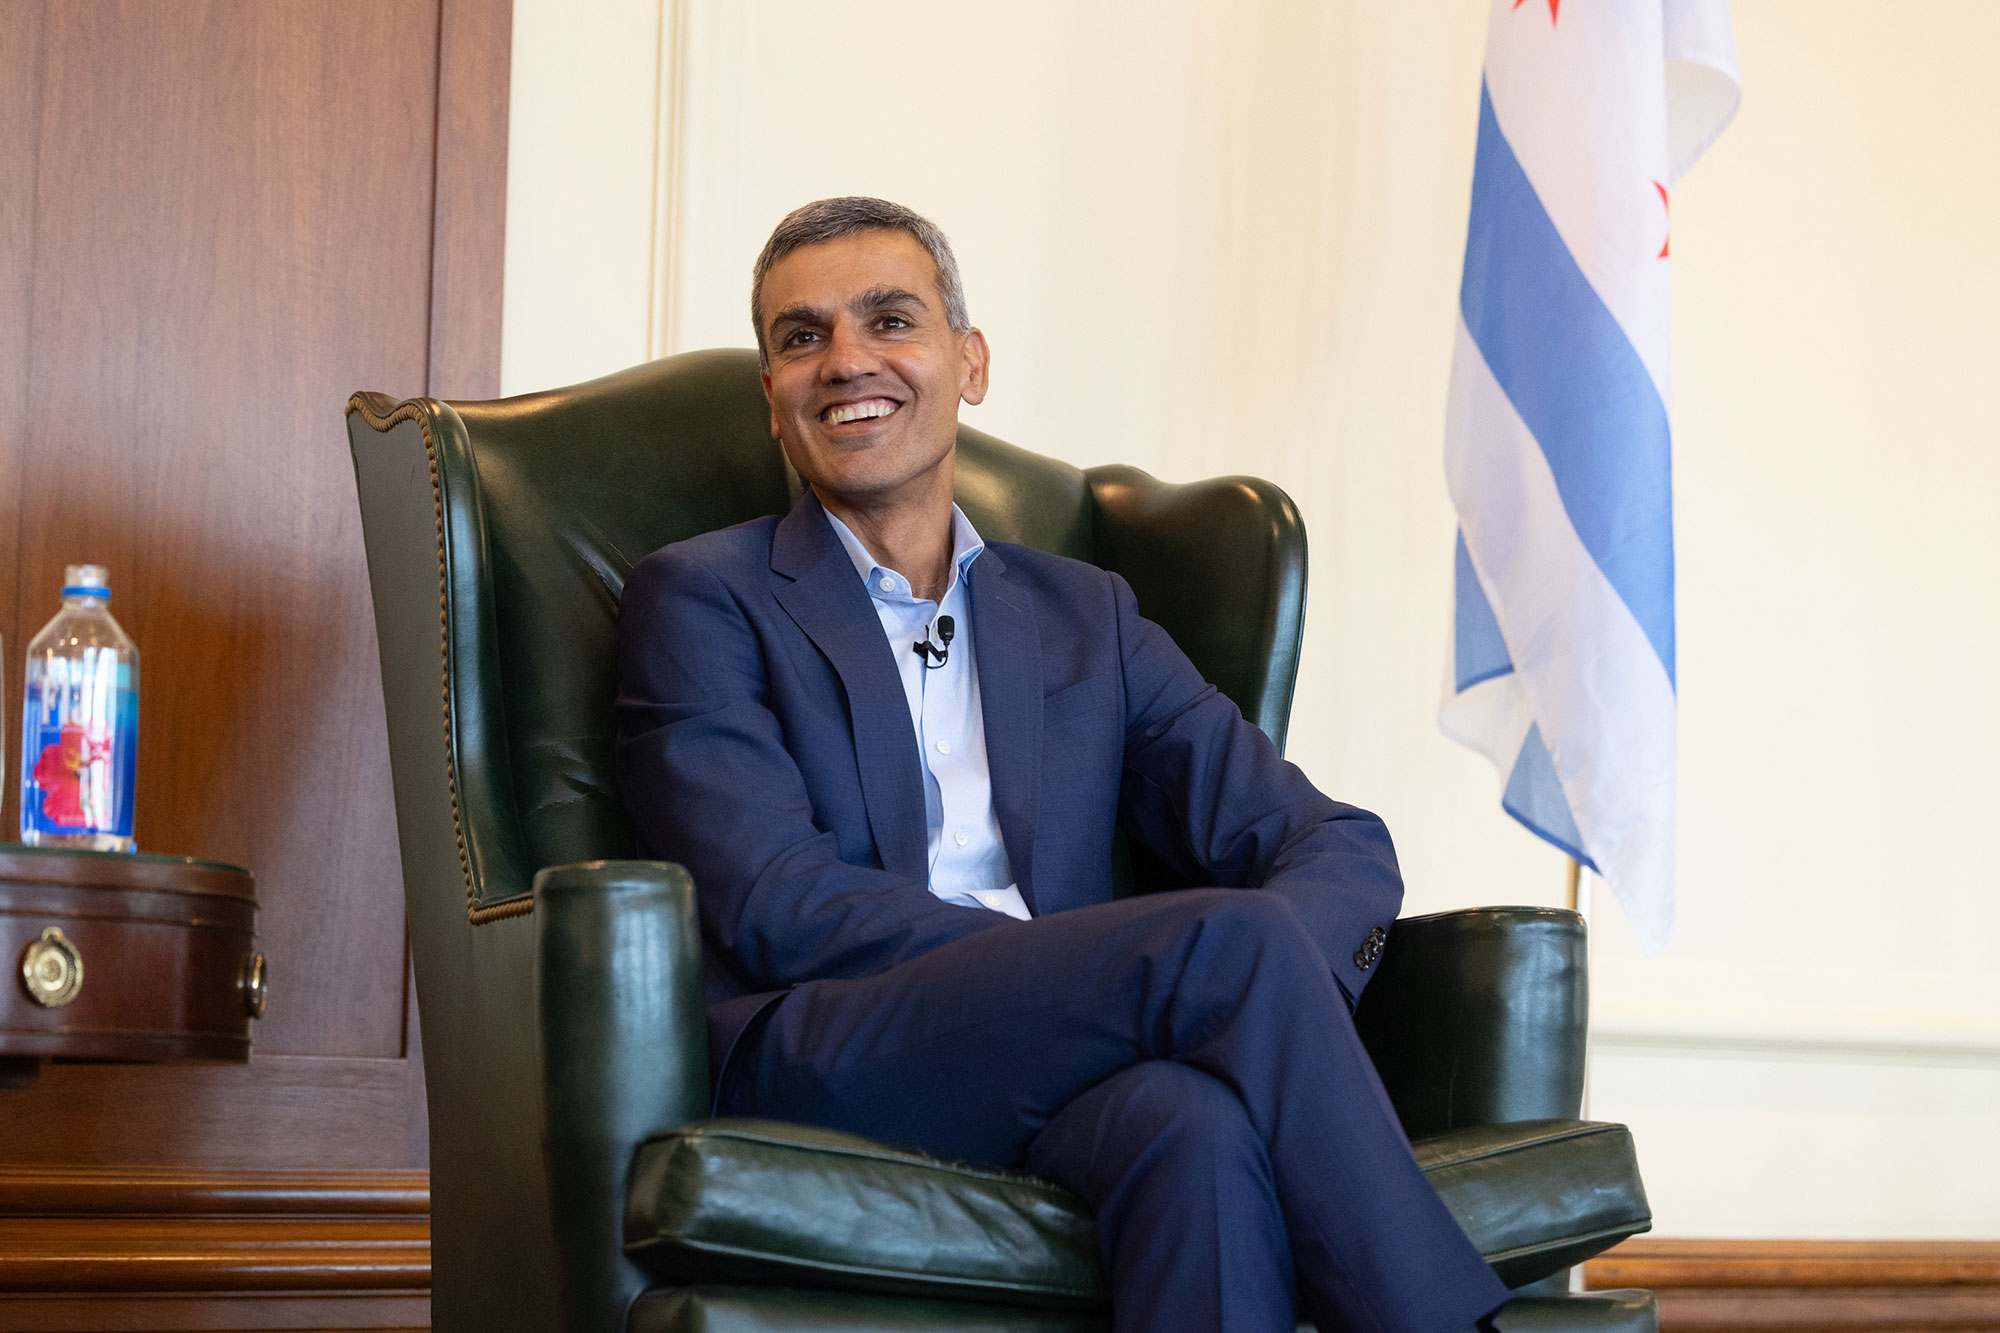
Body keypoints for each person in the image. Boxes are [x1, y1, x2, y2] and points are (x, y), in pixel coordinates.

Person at [614, 197, 1508, 1333]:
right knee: (1214, 948)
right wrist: (1108, 974)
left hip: (1077, 1061)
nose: (845, 361)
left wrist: (1235, 1002)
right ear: (773, 404)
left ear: (967, 363)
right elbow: (777, 902)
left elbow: (1329, 843)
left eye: (889, 320)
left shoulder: (1086, 615)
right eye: (801, 338)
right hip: (831, 1041)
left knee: (1196, 1126)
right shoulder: (699, 596)